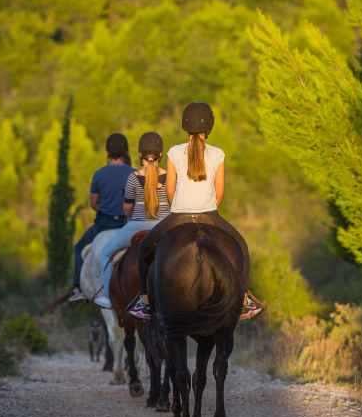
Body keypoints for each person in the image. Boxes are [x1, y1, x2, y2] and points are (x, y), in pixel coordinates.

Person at [128, 102, 264, 321]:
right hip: (210, 215)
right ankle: (243, 299)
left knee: (145, 249)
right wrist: (206, 207)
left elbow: (170, 191)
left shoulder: (173, 152)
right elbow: (219, 194)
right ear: (209, 127)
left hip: (178, 217)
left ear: (185, 126)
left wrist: (182, 207)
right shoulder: (218, 154)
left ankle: (144, 301)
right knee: (241, 246)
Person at [92, 132, 170, 308]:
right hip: (163, 227)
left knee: (106, 252)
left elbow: (127, 209)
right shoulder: (170, 177)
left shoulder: (134, 177)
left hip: (136, 225)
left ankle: (107, 297)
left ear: (140, 155)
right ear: (161, 155)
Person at [69, 133, 134, 302]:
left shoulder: (99, 174)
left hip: (104, 224)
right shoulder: (136, 174)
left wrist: (107, 207)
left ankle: (78, 288)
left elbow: (93, 203)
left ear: (107, 152)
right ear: (126, 151)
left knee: (78, 249)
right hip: (128, 225)